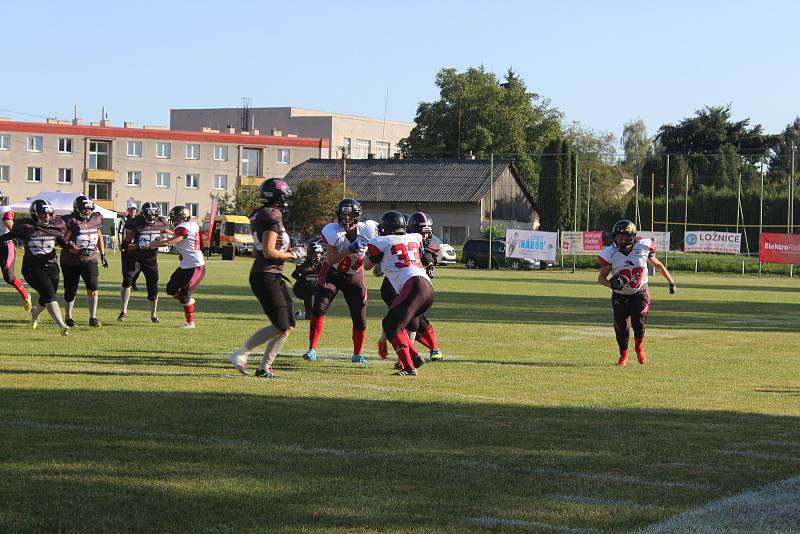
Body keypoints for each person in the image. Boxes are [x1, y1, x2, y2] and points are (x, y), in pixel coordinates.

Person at [228, 178, 306, 377]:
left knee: (287, 325)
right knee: (281, 325)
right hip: (267, 276)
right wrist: (292, 255)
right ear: (279, 197)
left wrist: (287, 251)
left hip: (269, 274)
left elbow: (257, 250)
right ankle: (241, 353)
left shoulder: (260, 214)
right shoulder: (272, 215)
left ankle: (264, 368)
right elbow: (269, 252)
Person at [302, 198, 378, 364]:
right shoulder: (332, 231)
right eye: (344, 216)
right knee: (319, 307)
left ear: (357, 216)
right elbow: (330, 260)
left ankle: (357, 354)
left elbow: (381, 246)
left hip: (354, 276)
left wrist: (377, 260)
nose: (347, 220)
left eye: (350, 216)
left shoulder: (369, 229)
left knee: (360, 317)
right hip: (333, 273)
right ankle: (312, 349)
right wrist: (349, 249)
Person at [364, 211, 435, 376]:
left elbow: (367, 266)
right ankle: (415, 357)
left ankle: (409, 368)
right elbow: (423, 257)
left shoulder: (381, 241)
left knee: (392, 326)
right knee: (392, 322)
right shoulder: (414, 237)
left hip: (413, 286)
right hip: (427, 288)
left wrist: (366, 253)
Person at [597, 219, 676, 366]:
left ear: (632, 236)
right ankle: (623, 355)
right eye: (617, 237)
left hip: (640, 292)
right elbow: (601, 278)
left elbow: (658, 266)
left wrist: (671, 282)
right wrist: (612, 285)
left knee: (638, 323)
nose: (619, 240)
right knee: (621, 327)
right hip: (620, 295)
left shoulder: (643, 248)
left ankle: (639, 348)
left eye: (623, 237)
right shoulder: (611, 253)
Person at [377, 212, 443, 362]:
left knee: (409, 321)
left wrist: (430, 264)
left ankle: (414, 355)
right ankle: (412, 356)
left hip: (413, 287)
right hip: (395, 287)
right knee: (406, 321)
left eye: (428, 233)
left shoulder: (420, 243)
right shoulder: (406, 240)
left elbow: (428, 259)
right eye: (423, 232)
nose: (425, 237)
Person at [0, 200, 70, 335]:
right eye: (43, 214)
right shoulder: (26, 227)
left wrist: (73, 248)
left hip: (51, 266)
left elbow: (63, 242)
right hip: (32, 268)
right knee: (49, 295)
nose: (47, 217)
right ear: (35, 214)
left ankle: (34, 315)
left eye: (49, 214)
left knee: (46, 296)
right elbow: (8, 236)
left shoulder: (55, 226)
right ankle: (61, 325)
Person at [148, 206, 205, 329]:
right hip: (185, 266)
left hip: (195, 266)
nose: (173, 220)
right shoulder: (192, 224)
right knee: (171, 289)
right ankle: (189, 301)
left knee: (184, 296)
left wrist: (149, 244)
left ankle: (190, 323)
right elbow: (181, 237)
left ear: (182, 217)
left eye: (174, 217)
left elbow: (170, 242)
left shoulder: (183, 228)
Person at [118, 202, 171, 323]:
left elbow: (168, 232)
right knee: (127, 280)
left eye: (154, 214)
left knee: (153, 286)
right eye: (149, 214)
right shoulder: (138, 223)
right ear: (144, 214)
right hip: (135, 258)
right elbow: (127, 240)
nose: (152, 217)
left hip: (150, 259)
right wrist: (127, 246)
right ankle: (123, 310)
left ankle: (153, 314)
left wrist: (176, 235)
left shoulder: (160, 223)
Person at [60, 195, 108, 328]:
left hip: (90, 259)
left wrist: (103, 254)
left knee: (93, 286)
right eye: (84, 208)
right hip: (71, 261)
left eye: (89, 208)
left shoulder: (96, 219)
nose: (87, 211)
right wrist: (72, 248)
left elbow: (98, 235)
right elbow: (64, 240)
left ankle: (93, 317)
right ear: (77, 208)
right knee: (70, 290)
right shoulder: (70, 221)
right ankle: (68, 316)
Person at [0, 204, 33, 311]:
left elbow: (13, 229)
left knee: (9, 277)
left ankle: (26, 295)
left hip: (4, 245)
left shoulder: (3, 210)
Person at [291, 241, 324, 321]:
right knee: (310, 287)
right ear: (310, 253)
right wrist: (305, 277)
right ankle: (307, 313)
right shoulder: (305, 263)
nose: (318, 255)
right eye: (316, 253)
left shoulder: (323, 263)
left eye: (320, 253)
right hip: (301, 288)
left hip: (314, 287)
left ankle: (303, 314)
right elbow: (294, 275)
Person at [117, 200, 140, 291]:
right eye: (131, 209)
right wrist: (121, 244)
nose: (133, 211)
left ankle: (133, 281)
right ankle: (126, 282)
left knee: (138, 267)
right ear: (128, 210)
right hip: (127, 246)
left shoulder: (139, 220)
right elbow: (120, 233)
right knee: (125, 266)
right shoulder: (123, 220)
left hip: (136, 246)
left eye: (134, 209)